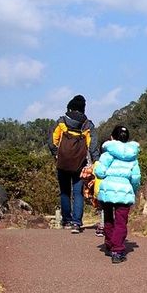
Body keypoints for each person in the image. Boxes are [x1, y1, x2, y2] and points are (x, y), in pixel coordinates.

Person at [49, 94, 98, 233]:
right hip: (80, 163)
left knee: (64, 192)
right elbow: (92, 145)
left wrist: (57, 155)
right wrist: (96, 162)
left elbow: (52, 141)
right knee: (78, 193)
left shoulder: (61, 121)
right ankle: (77, 223)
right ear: (83, 108)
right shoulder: (87, 124)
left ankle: (67, 221)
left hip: (63, 162)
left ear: (70, 107)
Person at [94, 125, 140, 264]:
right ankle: (118, 250)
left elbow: (99, 172)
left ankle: (109, 244)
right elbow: (136, 178)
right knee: (121, 222)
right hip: (124, 192)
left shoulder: (108, 154)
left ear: (112, 137)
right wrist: (133, 189)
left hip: (108, 190)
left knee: (108, 219)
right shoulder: (133, 157)